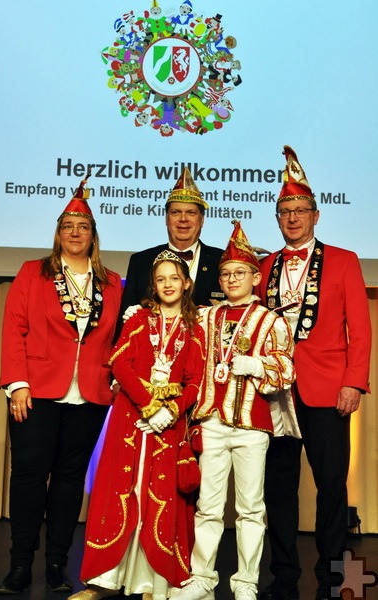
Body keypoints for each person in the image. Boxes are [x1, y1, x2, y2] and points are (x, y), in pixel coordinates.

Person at [0, 174, 122, 595]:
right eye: (67, 226)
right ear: (57, 233)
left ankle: (55, 564)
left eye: (82, 227)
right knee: (30, 477)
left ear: (93, 236)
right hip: (36, 393)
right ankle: (19, 565)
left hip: (89, 395)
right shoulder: (33, 273)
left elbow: (123, 337)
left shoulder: (112, 283)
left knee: (70, 480)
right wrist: (16, 384)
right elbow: (14, 329)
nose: (74, 233)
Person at [257, 146, 372, 600]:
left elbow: (359, 331)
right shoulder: (263, 266)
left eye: (301, 210)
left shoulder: (343, 260)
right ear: (277, 217)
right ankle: (284, 573)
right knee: (278, 487)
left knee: (331, 485)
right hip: (273, 392)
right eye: (285, 211)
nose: (292, 217)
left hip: (328, 388)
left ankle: (332, 573)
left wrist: (353, 381)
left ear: (316, 215)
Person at [68, 250, 206, 600]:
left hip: (168, 427)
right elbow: (121, 364)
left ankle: (151, 582)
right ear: (153, 285)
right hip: (131, 419)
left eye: (174, 278)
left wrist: (170, 411)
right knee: (118, 494)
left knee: (157, 498)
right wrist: (147, 405)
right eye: (160, 279)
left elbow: (195, 381)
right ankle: (101, 581)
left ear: (187, 283)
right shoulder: (139, 319)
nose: (167, 284)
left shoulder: (196, 328)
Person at [174, 221, 297, 600]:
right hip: (211, 421)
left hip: (251, 424)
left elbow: (287, 369)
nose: (231, 279)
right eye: (226, 273)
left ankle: (246, 582)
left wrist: (257, 366)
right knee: (208, 507)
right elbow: (182, 356)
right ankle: (202, 578)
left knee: (250, 509)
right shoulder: (206, 317)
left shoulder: (270, 320)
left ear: (255, 277)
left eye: (239, 272)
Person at [120, 166, 224, 319]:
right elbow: (125, 322)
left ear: (202, 220)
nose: (183, 219)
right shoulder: (141, 262)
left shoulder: (222, 260)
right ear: (166, 219)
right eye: (175, 212)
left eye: (191, 213)